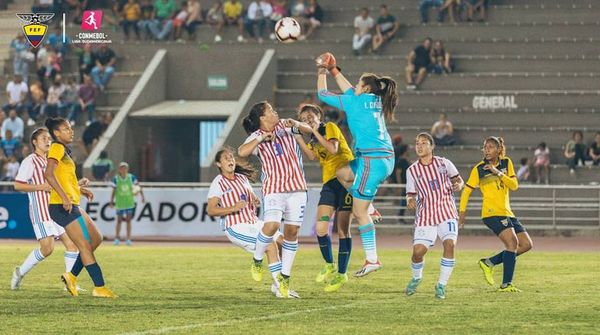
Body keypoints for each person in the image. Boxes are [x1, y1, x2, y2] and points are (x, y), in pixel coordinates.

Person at [316, 52, 397, 277]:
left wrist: (321, 71)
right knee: (342, 174)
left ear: (366, 88)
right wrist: (334, 69)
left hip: (372, 160)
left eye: (359, 83)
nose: (355, 85)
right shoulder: (375, 99)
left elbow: (322, 93)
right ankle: (369, 206)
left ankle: (372, 259)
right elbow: (349, 88)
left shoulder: (354, 101)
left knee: (358, 212)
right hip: (379, 158)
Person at [238, 101, 309, 298]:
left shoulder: (286, 125)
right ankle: (257, 258)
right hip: (274, 189)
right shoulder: (256, 137)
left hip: (297, 188)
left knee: (292, 232)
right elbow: (242, 152)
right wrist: (261, 137)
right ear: (262, 118)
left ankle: (284, 281)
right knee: (271, 225)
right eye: (270, 110)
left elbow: (309, 129)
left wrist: (296, 123)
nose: (275, 112)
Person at [207, 147, 299, 298]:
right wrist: (233, 208)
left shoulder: (242, 179)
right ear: (218, 164)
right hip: (235, 227)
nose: (230, 160)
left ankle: (277, 284)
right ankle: (282, 289)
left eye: (231, 157)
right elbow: (211, 210)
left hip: (254, 223)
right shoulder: (218, 183)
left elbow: (249, 196)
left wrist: (254, 199)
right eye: (226, 158)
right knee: (269, 244)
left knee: (284, 242)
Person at [44, 117, 116, 298]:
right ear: (57, 133)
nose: (71, 131)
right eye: (66, 129)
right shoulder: (57, 147)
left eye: (70, 128)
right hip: (61, 206)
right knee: (84, 244)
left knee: (96, 239)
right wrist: (63, 197)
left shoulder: (64, 151)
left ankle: (71, 276)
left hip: (70, 203)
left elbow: (63, 179)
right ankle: (99, 287)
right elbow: (48, 175)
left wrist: (79, 189)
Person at [459, 136, 533, 292]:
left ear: (499, 150)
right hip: (491, 213)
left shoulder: (506, 163)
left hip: (507, 212)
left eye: (490, 147)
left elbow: (514, 186)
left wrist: (497, 172)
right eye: (485, 147)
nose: (486, 150)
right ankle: (506, 284)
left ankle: (489, 262)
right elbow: (466, 191)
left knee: (526, 244)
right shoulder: (479, 169)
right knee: (512, 244)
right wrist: (462, 212)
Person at [295, 104, 354, 292]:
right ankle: (329, 264)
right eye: (303, 119)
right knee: (321, 228)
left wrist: (313, 131)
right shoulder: (313, 139)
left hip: (345, 181)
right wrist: (298, 137)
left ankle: (342, 273)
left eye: (310, 116)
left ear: (319, 116)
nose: (308, 120)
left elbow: (333, 149)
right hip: (329, 184)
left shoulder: (329, 127)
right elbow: (312, 156)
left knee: (343, 230)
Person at [11, 128, 80, 290]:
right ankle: (20, 272)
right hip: (41, 210)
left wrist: (78, 186)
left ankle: (70, 284)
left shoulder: (52, 159)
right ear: (34, 142)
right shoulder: (30, 161)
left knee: (72, 244)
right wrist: (41, 186)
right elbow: (17, 185)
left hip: (56, 208)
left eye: (49, 138)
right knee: (47, 249)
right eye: (43, 138)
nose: (48, 141)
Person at [404, 132, 464, 299]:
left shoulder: (444, 163)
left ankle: (441, 285)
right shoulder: (412, 170)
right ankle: (417, 278)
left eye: (423, 143)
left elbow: (459, 180)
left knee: (450, 245)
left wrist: (459, 185)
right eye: (417, 143)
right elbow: (410, 193)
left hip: (447, 212)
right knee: (417, 253)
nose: (420, 146)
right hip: (426, 216)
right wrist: (410, 200)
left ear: (432, 146)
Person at [110, 162, 145, 246]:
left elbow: (138, 187)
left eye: (125, 168)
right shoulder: (116, 179)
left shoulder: (131, 177)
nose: (124, 169)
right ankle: (117, 238)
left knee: (128, 220)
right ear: (119, 169)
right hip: (120, 203)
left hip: (129, 202)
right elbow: (114, 191)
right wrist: (111, 201)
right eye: (122, 168)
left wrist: (142, 196)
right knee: (119, 221)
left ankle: (128, 239)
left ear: (127, 169)